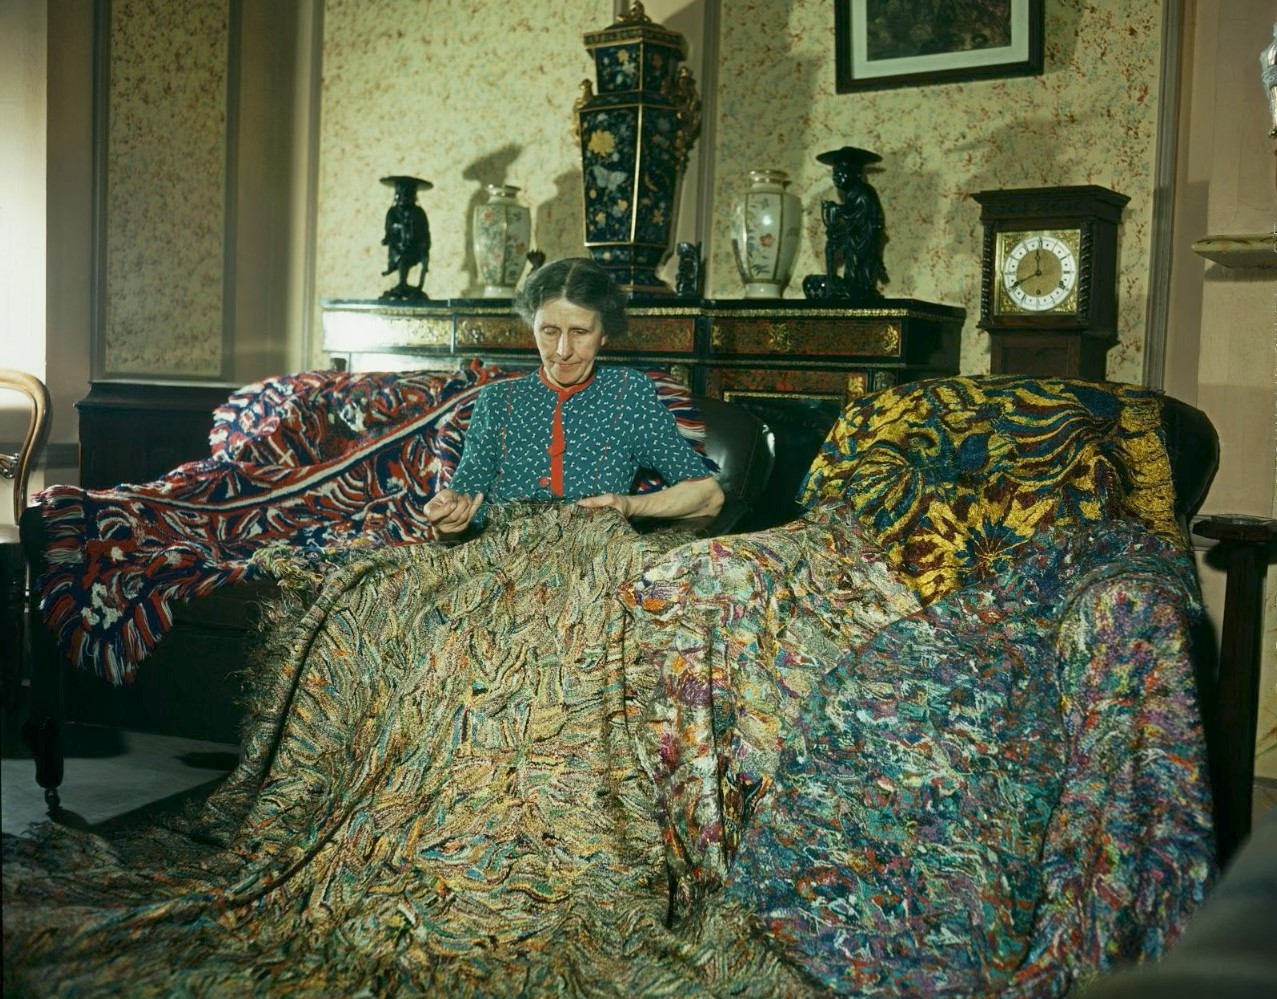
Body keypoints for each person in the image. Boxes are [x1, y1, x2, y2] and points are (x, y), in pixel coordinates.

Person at [425, 257, 724, 539]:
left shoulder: (627, 394)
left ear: (604, 333)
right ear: (533, 327)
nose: (562, 350)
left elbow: (707, 496)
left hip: (591, 562)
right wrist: (448, 519)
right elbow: (462, 507)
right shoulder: (497, 400)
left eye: (580, 331)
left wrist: (628, 505)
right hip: (500, 562)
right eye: (549, 331)